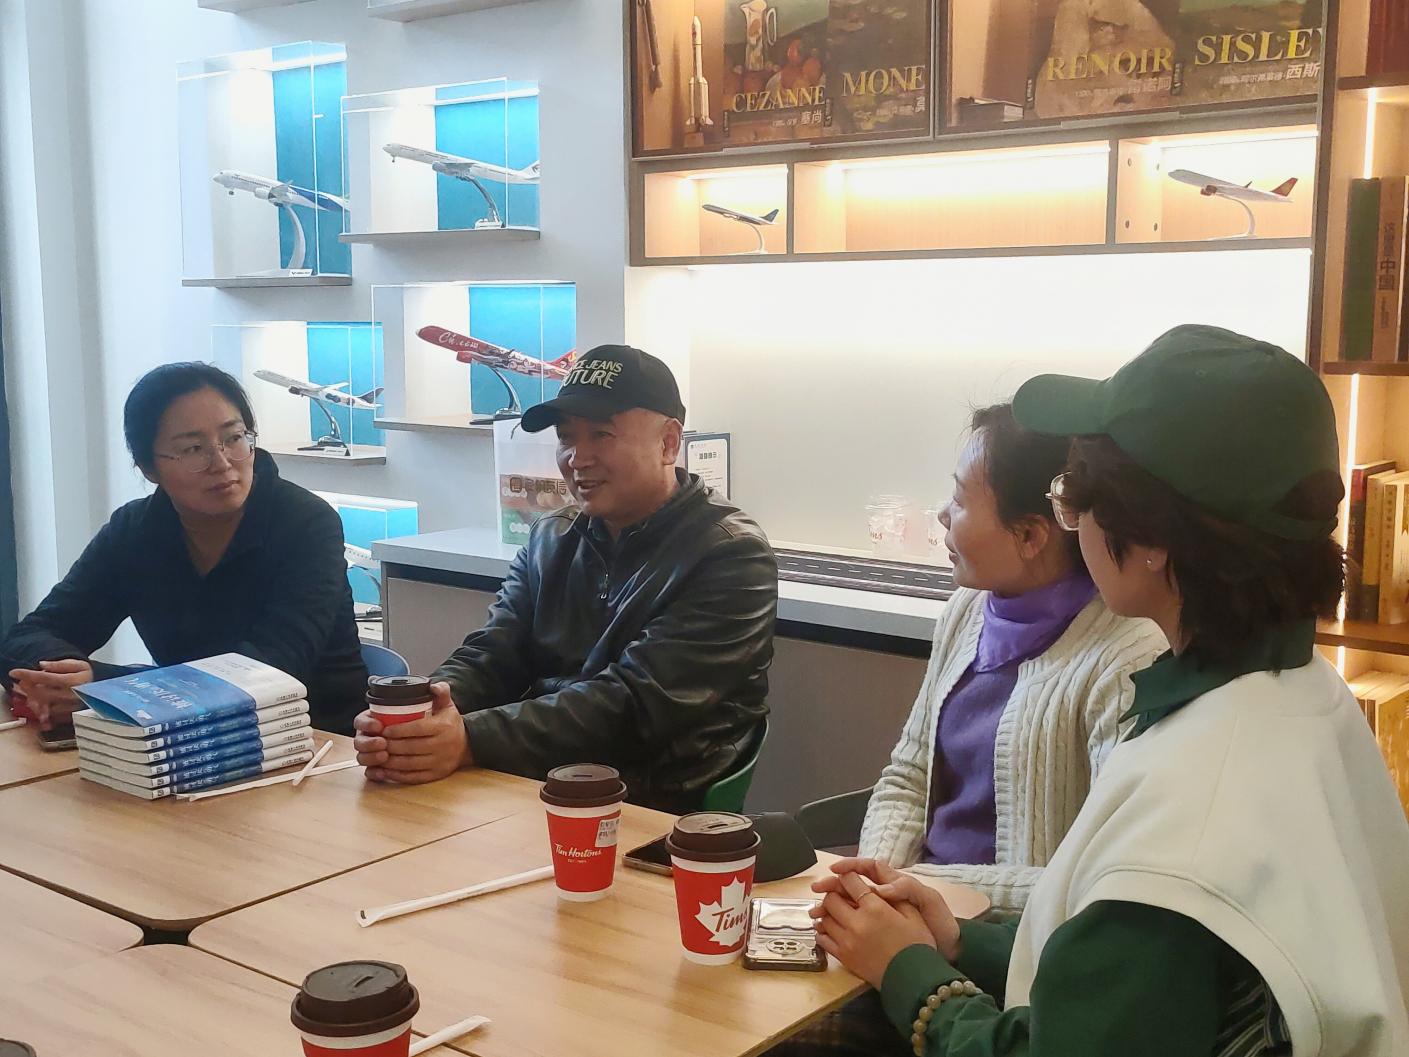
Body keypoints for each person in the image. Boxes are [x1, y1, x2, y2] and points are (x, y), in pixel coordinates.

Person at [810, 326, 1409, 1057]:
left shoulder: (1187, 820)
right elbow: (1123, 990)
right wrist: (957, 938)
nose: (1073, 525)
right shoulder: (1309, 700)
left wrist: (909, 970)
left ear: (1150, 540)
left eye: (1074, 498)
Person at [353, 345, 776, 813]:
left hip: (650, 804)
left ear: (668, 443)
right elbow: (494, 651)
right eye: (566, 438)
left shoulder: (729, 553)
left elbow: (635, 705)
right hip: (536, 780)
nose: (578, 458)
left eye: (601, 434)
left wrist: (469, 738)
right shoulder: (551, 536)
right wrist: (428, 714)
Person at [859, 404, 1164, 914]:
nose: (943, 514)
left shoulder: (1126, 657)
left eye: (960, 500)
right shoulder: (966, 610)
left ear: (1029, 536)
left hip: (1012, 939)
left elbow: (1097, 878)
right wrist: (874, 880)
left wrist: (919, 887)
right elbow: (908, 775)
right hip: (913, 904)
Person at [1, 363, 368, 735]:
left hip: (314, 741)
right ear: (148, 467)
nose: (222, 463)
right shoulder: (135, 531)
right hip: (182, 742)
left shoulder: (306, 523)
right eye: (193, 449)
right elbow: (29, 635)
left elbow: (269, 670)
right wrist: (59, 678)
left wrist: (104, 687)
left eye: (234, 438)